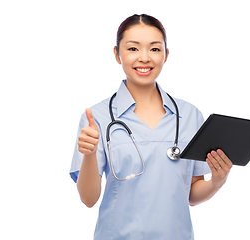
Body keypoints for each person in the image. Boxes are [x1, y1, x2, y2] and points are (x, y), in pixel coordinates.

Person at [70, 14, 233, 240]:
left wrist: (217, 181)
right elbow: (88, 199)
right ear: (117, 54)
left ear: (166, 55)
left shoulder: (189, 116)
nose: (144, 58)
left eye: (155, 49)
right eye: (133, 49)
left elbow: (192, 194)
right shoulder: (97, 118)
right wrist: (88, 155)